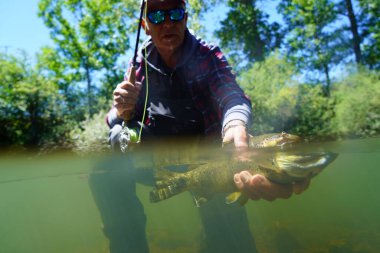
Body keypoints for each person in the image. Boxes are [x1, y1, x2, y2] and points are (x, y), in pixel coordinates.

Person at [90, 0, 309, 252]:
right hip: (157, 163)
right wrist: (121, 111)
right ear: (145, 26)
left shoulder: (208, 55)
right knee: (104, 172)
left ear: (185, 17)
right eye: (157, 16)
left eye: (175, 12)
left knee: (233, 244)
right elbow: (117, 119)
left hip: (210, 164)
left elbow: (232, 96)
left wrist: (235, 125)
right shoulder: (138, 67)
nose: (168, 22)